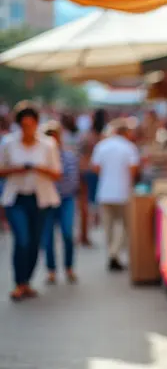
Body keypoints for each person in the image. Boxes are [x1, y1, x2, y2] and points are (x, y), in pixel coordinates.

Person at [0, 103, 61, 300]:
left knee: (34, 242)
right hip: (16, 198)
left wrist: (39, 168)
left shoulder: (48, 144)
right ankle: (19, 282)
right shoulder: (8, 143)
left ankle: (26, 281)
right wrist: (17, 169)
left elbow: (56, 173)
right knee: (22, 239)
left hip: (40, 199)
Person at [91, 119, 139, 271]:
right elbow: (133, 170)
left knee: (109, 227)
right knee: (125, 226)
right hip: (122, 192)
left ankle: (112, 254)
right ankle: (115, 253)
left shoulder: (102, 146)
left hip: (105, 192)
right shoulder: (129, 147)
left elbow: (96, 168)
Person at [41, 122, 80, 284]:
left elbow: (71, 181)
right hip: (48, 201)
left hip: (65, 200)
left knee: (67, 233)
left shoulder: (68, 156)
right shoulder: (41, 158)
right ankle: (51, 270)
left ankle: (69, 267)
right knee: (47, 237)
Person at [77, 109, 106, 247]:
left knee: (84, 205)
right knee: (89, 205)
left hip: (84, 170)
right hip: (93, 171)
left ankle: (83, 234)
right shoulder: (102, 137)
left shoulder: (88, 136)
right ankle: (84, 235)